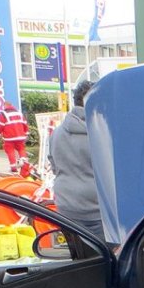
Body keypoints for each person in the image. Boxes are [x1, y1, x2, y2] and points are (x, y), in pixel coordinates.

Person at [47, 78, 104, 240]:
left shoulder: (57, 133)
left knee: (77, 258)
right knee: (104, 260)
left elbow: (54, 165)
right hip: (96, 210)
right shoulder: (101, 135)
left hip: (66, 206)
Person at [0, 101, 29, 174]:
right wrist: (26, 133)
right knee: (21, 149)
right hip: (20, 136)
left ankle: (13, 168)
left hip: (9, 137)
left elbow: (0, 125)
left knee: (10, 151)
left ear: (5, 106)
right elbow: (25, 124)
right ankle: (24, 164)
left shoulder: (3, 114)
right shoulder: (19, 113)